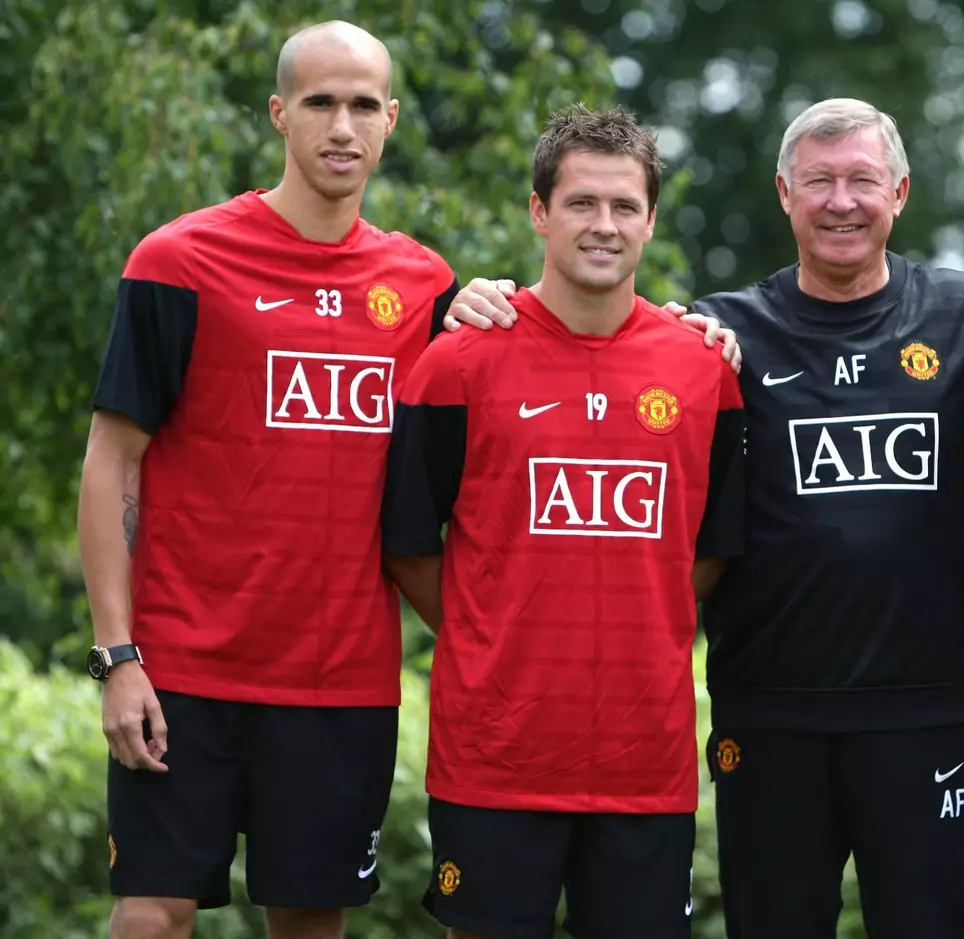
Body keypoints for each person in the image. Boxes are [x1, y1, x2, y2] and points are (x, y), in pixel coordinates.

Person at [443, 97, 964, 939]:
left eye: (863, 180)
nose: (843, 200)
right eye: (820, 181)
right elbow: (599, 342)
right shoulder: (717, 334)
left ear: (900, 192)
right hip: (767, 715)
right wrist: (481, 297)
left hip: (923, 714)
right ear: (784, 194)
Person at [73, 19, 615, 939]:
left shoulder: (425, 286)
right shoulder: (178, 261)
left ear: (391, 119)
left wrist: (693, 332)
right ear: (280, 114)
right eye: (320, 102)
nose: (341, 126)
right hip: (185, 669)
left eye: (363, 104)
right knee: (151, 914)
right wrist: (118, 657)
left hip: (342, 682)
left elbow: (554, 380)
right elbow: (111, 458)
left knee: (311, 920)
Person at [380, 104, 745, 939]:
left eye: (625, 206)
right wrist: (490, 631)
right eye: (582, 203)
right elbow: (407, 544)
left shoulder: (702, 370)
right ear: (540, 211)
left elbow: (714, 547)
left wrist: (634, 622)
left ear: (652, 220)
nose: (604, 225)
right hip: (493, 756)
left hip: (643, 760)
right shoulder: (458, 361)